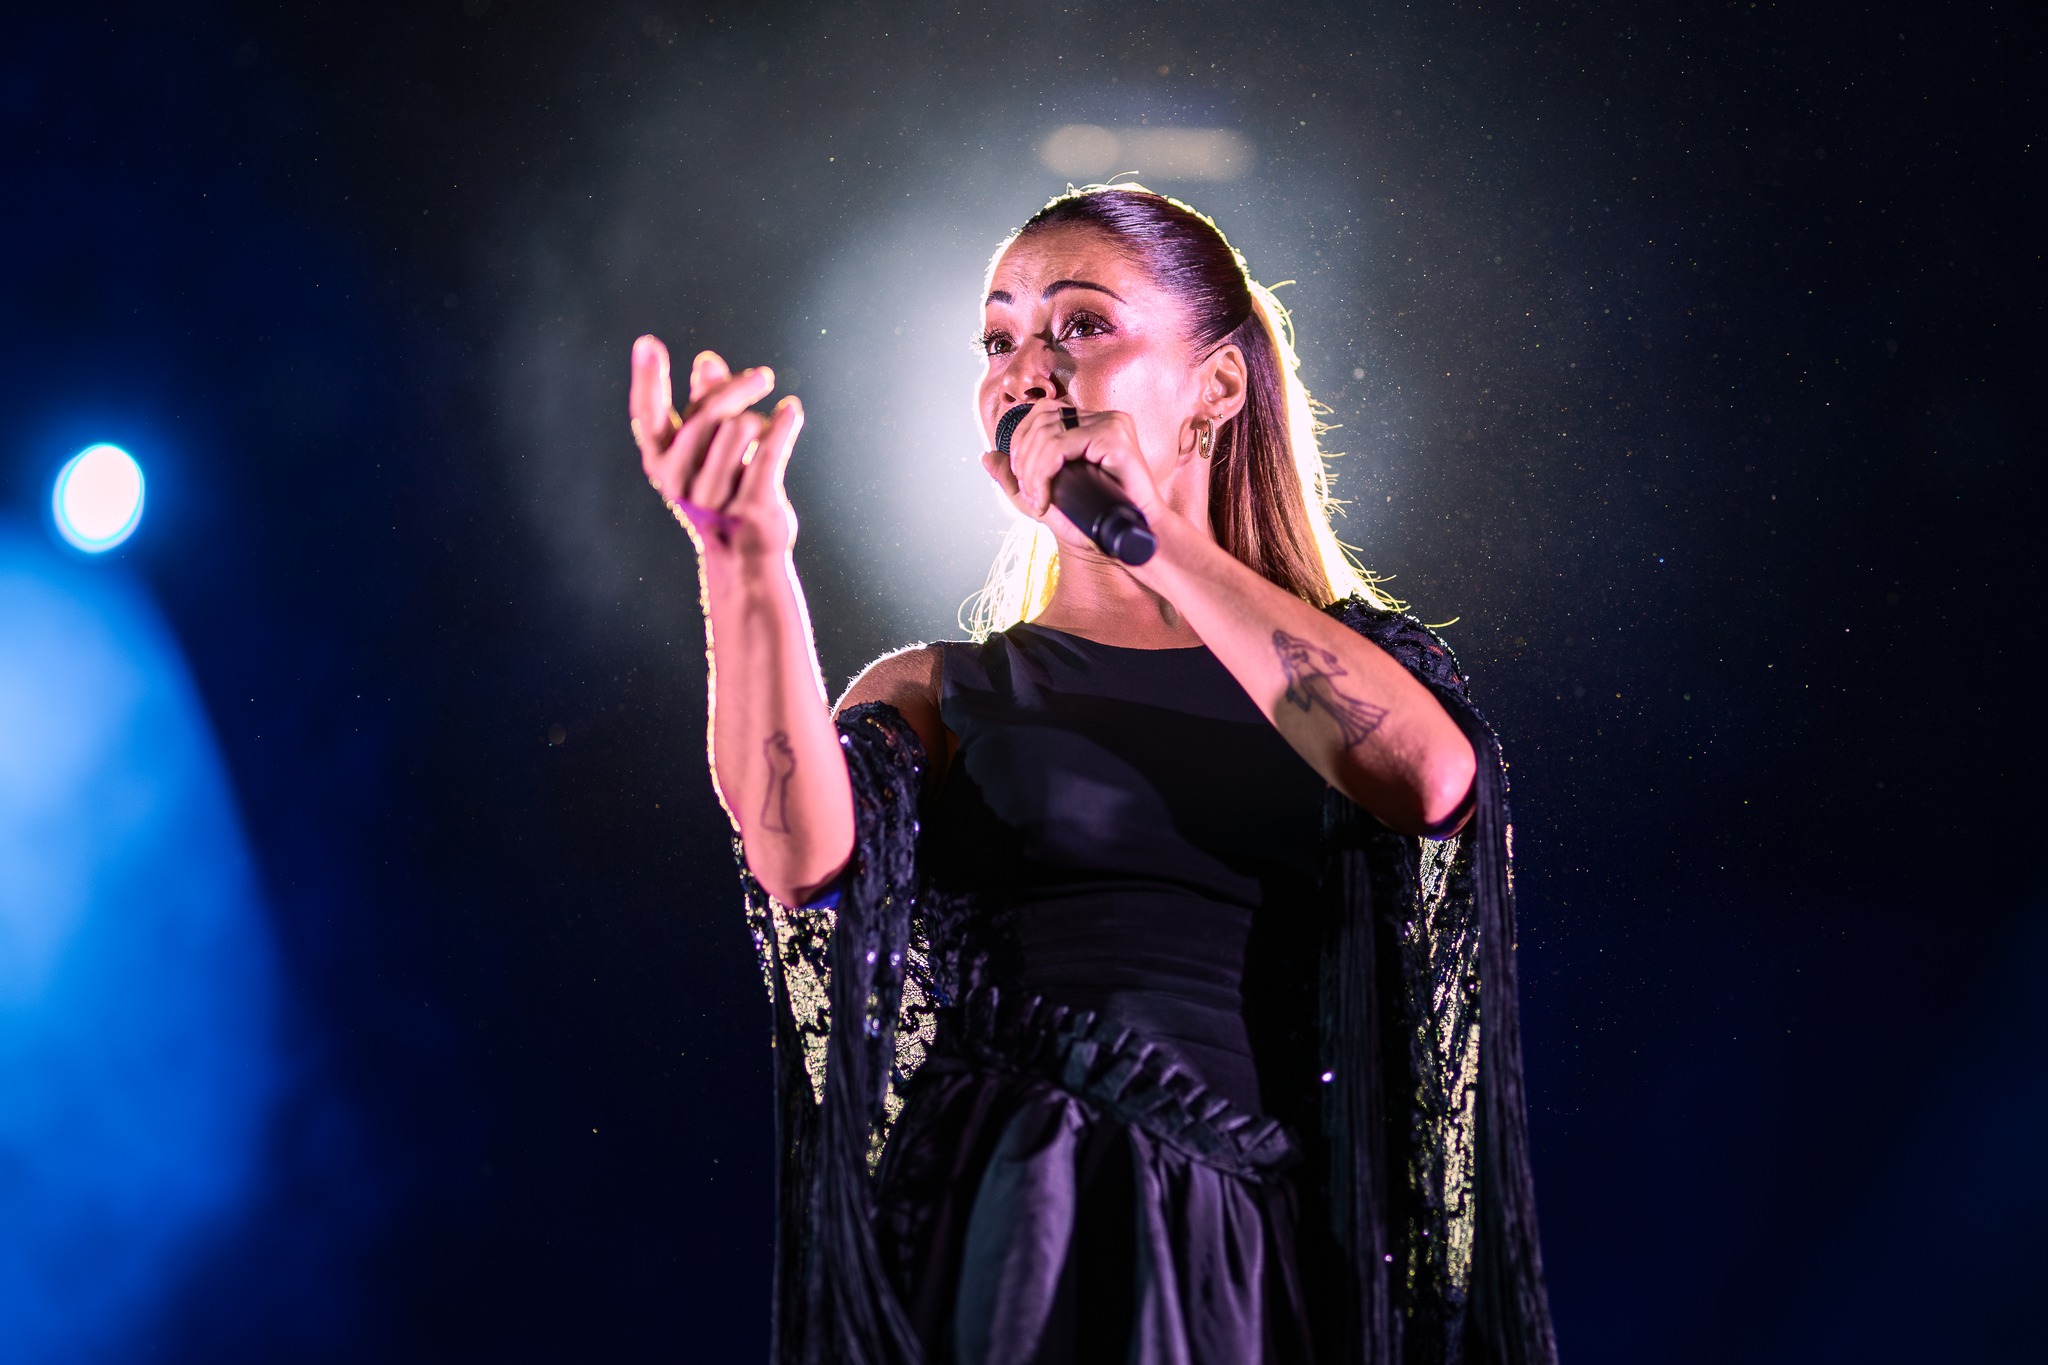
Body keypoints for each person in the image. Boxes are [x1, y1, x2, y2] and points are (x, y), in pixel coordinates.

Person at [627, 186, 1557, 1365]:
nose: (1026, 366)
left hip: (1241, 1255)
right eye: (997, 339)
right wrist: (743, 559)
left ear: (1216, 387)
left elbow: (1428, 783)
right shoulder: (943, 690)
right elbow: (796, 856)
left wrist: (1152, 537)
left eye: (1079, 324)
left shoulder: (1351, 664)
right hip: (1013, 1214)